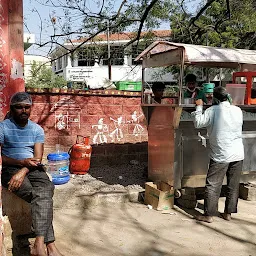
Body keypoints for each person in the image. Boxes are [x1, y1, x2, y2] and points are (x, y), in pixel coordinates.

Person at [0, 92, 63, 256]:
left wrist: (24, 169)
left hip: (32, 169)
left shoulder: (37, 129)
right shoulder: (3, 127)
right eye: (19, 107)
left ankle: (39, 243)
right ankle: (50, 245)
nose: (23, 110)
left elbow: (37, 158)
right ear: (12, 109)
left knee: (45, 188)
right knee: (41, 197)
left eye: (27, 107)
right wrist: (20, 164)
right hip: (10, 169)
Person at [191, 86, 244, 223]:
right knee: (233, 185)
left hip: (221, 154)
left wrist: (199, 107)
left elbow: (198, 123)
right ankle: (228, 213)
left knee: (213, 184)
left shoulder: (213, 110)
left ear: (214, 98)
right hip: (238, 153)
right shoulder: (237, 110)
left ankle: (208, 215)